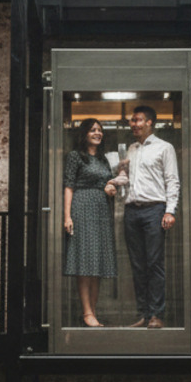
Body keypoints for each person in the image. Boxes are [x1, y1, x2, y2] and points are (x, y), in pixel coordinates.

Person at [123, 105, 179, 329]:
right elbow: (126, 179)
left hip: (155, 209)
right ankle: (144, 315)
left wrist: (170, 210)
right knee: (137, 265)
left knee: (154, 264)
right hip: (131, 211)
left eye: (137, 120)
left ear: (150, 123)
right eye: (132, 121)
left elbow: (172, 180)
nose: (133, 124)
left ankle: (157, 315)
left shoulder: (165, 148)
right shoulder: (131, 149)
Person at [63, 118, 118, 326]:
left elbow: (108, 182)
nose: (98, 133)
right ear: (84, 133)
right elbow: (68, 186)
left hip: (102, 210)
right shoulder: (76, 157)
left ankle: (92, 312)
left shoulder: (104, 159)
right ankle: (87, 313)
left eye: (100, 130)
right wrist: (67, 216)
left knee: (98, 263)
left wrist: (110, 188)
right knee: (84, 262)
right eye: (93, 130)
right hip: (82, 207)